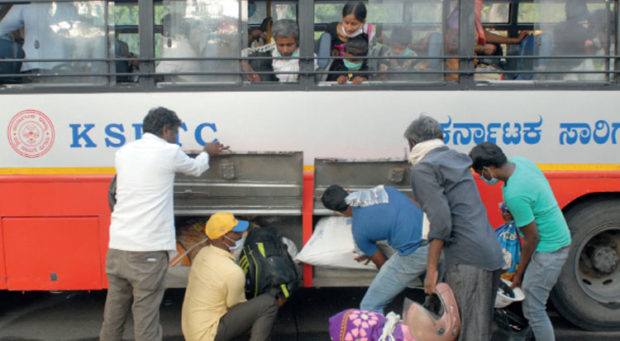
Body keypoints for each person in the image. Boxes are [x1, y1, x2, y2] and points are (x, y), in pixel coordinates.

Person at [99, 107, 229, 341]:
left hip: (117, 248)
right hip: (146, 251)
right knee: (146, 318)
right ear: (166, 129)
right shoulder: (168, 152)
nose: (177, 138)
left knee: (114, 314)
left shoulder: (124, 152)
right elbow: (197, 168)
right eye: (176, 133)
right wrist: (207, 152)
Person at [403, 115, 504, 341]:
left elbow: (441, 221)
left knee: (467, 332)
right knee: (478, 329)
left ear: (412, 144)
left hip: (467, 259)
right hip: (488, 252)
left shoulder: (424, 168)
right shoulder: (454, 160)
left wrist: (431, 270)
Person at [469, 142, 572, 341]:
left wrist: (519, 274)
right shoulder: (521, 163)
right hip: (557, 237)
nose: (482, 178)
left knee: (534, 310)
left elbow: (533, 237)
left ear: (488, 170)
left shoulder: (514, 193)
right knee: (535, 306)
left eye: (481, 173)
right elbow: (538, 195)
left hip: (549, 250)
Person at [321, 184, 430, 314]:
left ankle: (383, 333)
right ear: (349, 192)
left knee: (369, 306)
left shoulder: (359, 232)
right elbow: (416, 205)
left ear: (338, 211)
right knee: (436, 285)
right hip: (438, 239)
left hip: (416, 252)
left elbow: (382, 263)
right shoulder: (383, 191)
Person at [181, 212, 281, 341]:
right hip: (209, 334)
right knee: (267, 304)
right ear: (223, 238)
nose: (241, 234)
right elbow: (234, 307)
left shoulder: (202, 254)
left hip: (193, 331)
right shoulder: (232, 272)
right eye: (236, 232)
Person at [242, 19, 316, 83]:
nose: (285, 50)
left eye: (289, 45)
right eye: (281, 45)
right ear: (275, 42)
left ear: (296, 42)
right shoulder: (264, 57)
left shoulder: (308, 59)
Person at [156, 14, 204, 83]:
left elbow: (157, 73)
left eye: (163, 27)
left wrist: (139, 64)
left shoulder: (178, 50)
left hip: (186, 91)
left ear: (168, 30)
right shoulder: (182, 45)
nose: (161, 31)